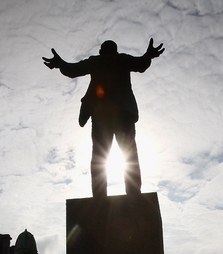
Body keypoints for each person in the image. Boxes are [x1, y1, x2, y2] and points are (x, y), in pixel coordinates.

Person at [43, 38, 164, 197]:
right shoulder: (122, 59)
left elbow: (73, 70)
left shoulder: (97, 61)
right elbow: (141, 64)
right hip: (122, 115)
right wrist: (149, 54)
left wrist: (60, 63)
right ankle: (133, 194)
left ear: (101, 51)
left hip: (102, 117)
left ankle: (100, 197)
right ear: (115, 50)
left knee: (100, 157)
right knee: (128, 156)